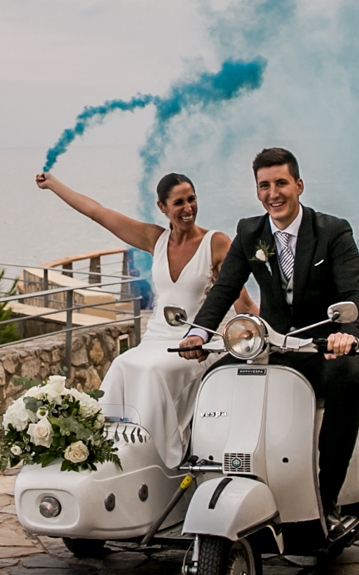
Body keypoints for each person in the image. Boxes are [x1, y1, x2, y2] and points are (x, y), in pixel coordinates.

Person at [179, 147, 359, 530]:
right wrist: (197, 333)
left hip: (323, 346)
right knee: (214, 380)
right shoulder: (250, 232)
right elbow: (224, 289)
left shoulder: (332, 231)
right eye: (265, 185)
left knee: (346, 381)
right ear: (257, 191)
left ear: (298, 185)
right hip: (274, 344)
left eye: (281, 183)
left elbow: (355, 293)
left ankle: (327, 497)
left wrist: (345, 334)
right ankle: (209, 481)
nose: (274, 193)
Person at [35, 171, 256, 467]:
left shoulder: (216, 243)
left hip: (196, 344)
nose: (188, 208)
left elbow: (241, 300)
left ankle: (159, 458)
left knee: (153, 371)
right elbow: (97, 213)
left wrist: (262, 328)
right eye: (179, 202)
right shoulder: (155, 239)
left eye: (192, 199)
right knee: (123, 364)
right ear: (162, 207)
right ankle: (106, 453)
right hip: (155, 339)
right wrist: (54, 185)